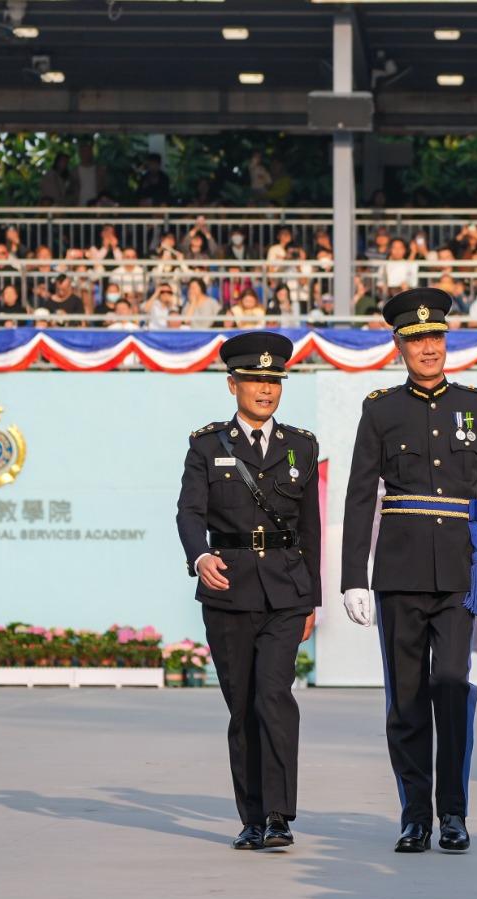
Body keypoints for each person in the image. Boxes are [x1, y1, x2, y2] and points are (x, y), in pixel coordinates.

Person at [339, 286, 477, 854]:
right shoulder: (380, 409)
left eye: (435, 336)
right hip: (398, 573)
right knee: (407, 698)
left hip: (461, 575)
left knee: (452, 687)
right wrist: (352, 576)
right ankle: (415, 814)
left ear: (447, 339)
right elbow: (359, 497)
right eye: (416, 339)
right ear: (398, 345)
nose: (428, 348)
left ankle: (455, 814)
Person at [174, 331, 322, 851]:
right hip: (229, 587)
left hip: (285, 590)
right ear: (232, 384)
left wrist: (313, 599)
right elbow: (189, 512)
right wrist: (200, 556)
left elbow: (311, 527)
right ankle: (252, 817)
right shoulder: (207, 445)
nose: (266, 389)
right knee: (242, 705)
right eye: (256, 380)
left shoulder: (301, 445)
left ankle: (279, 815)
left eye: (274, 380)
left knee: (274, 697)